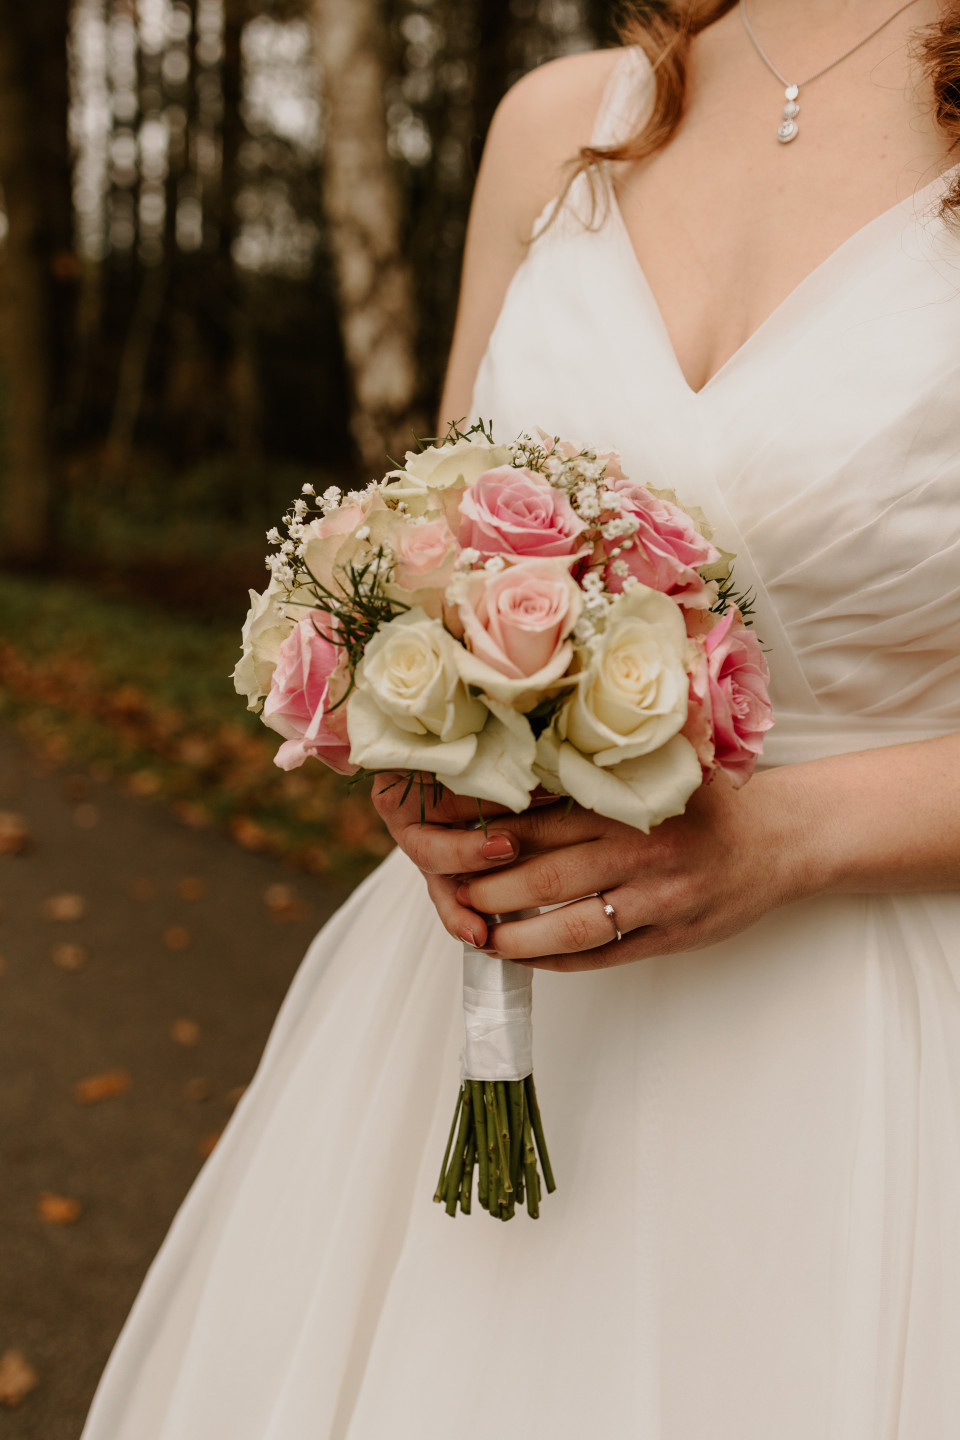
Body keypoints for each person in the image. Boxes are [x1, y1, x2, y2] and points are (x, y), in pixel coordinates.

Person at [82, 2, 960, 1436]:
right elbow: (428, 551)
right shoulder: (566, 123)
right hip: (491, 1015)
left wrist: (783, 838)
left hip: (888, 1058)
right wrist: (420, 754)